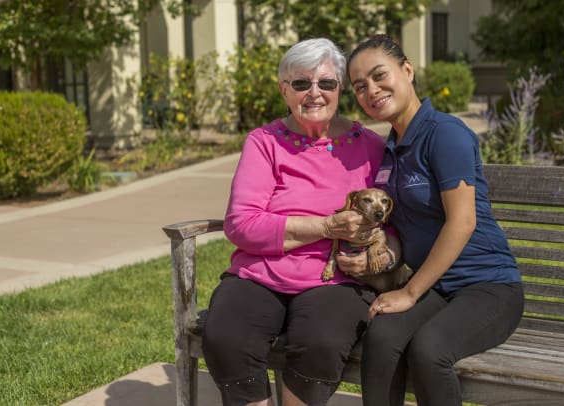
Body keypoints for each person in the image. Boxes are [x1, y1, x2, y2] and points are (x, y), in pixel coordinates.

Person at [200, 37, 401, 406]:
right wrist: (326, 227)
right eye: (301, 83)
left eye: (326, 83)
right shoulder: (264, 142)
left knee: (319, 341)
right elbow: (242, 225)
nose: (314, 93)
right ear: (283, 89)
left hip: (337, 280)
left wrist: (382, 258)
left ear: (340, 88)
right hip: (260, 275)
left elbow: (394, 220)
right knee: (227, 335)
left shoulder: (371, 147)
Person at [344, 34, 525, 406]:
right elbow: (394, 224)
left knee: (429, 351)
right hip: (439, 287)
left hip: (489, 287)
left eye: (380, 76)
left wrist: (410, 292)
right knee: (380, 337)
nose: (372, 91)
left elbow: (463, 222)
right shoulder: (391, 149)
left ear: (407, 71)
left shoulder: (446, 135)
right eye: (360, 87)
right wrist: (379, 257)